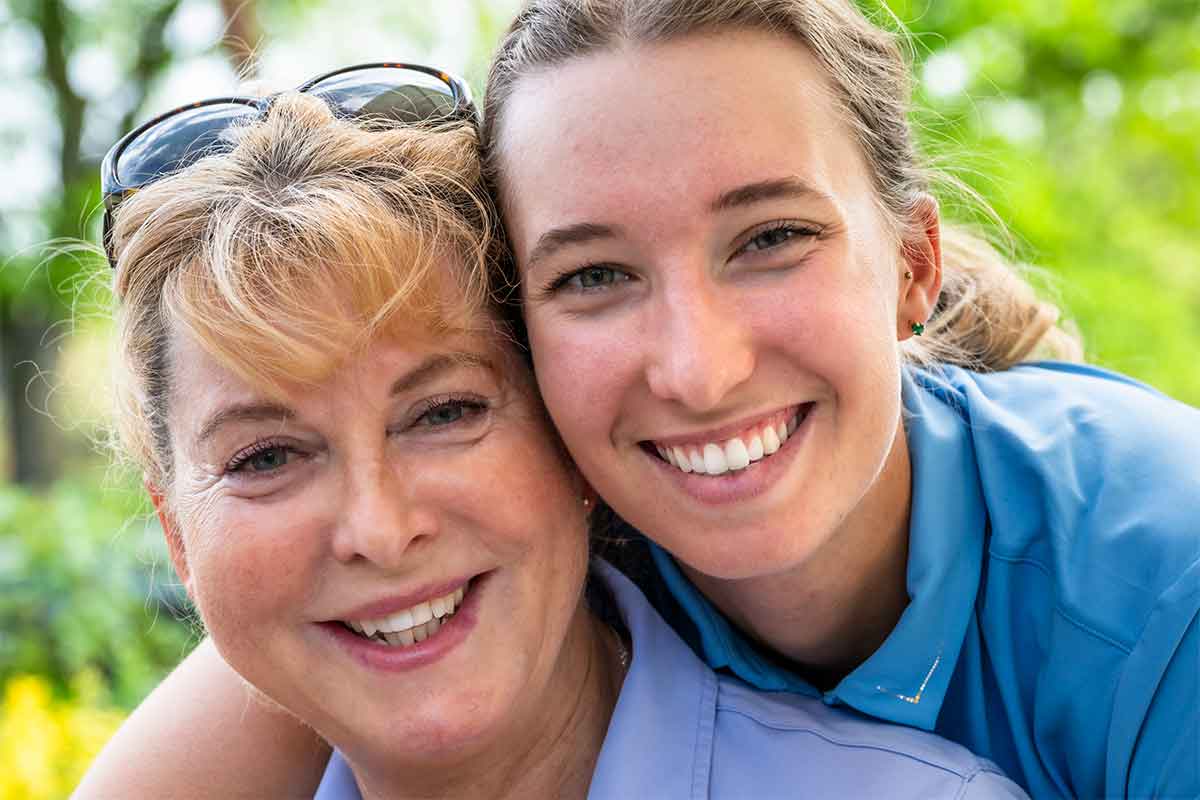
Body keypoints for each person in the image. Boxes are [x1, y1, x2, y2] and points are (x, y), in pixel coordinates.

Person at [80, 0, 1200, 796]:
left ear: (913, 263)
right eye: (595, 276)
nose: (697, 369)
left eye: (772, 238)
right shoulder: (497, 548)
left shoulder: (1160, 572)